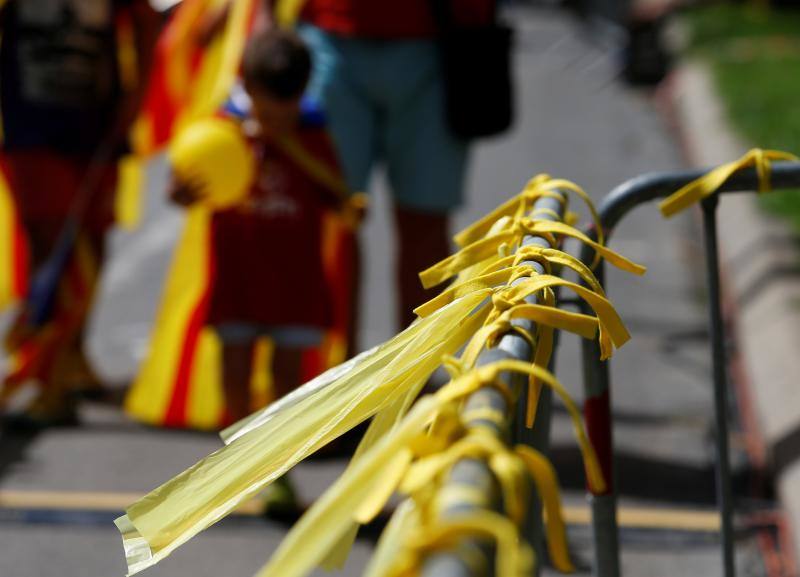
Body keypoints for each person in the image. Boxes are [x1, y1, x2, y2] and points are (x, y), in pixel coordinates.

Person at [169, 28, 348, 449]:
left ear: (303, 91)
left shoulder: (312, 132)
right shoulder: (222, 129)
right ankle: (241, 449)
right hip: (238, 275)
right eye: (268, 112)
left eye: (285, 111)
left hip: (295, 281)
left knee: (287, 374)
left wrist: (288, 143)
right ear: (247, 86)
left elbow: (339, 195)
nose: (277, 120)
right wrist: (180, 193)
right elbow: (188, 183)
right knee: (234, 365)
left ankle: (276, 456)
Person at [0, 0, 159, 426]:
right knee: (53, 248)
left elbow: (145, 19)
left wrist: (138, 94)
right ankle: (42, 378)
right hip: (30, 126)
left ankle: (68, 363)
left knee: (92, 244)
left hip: (97, 126)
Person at [288, 0, 494, 329]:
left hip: (441, 39)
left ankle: (419, 376)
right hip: (329, 32)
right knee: (332, 223)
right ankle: (335, 375)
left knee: (425, 223)